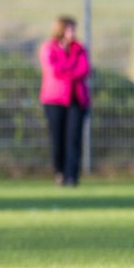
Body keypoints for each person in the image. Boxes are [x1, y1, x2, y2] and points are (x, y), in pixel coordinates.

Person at [39, 15, 90, 187]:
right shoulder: (49, 48)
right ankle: (59, 173)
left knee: (74, 139)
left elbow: (83, 69)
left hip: (76, 100)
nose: (73, 32)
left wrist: (67, 71)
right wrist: (72, 71)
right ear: (61, 29)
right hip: (55, 100)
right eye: (70, 29)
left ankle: (72, 177)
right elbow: (54, 70)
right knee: (58, 139)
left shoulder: (79, 49)